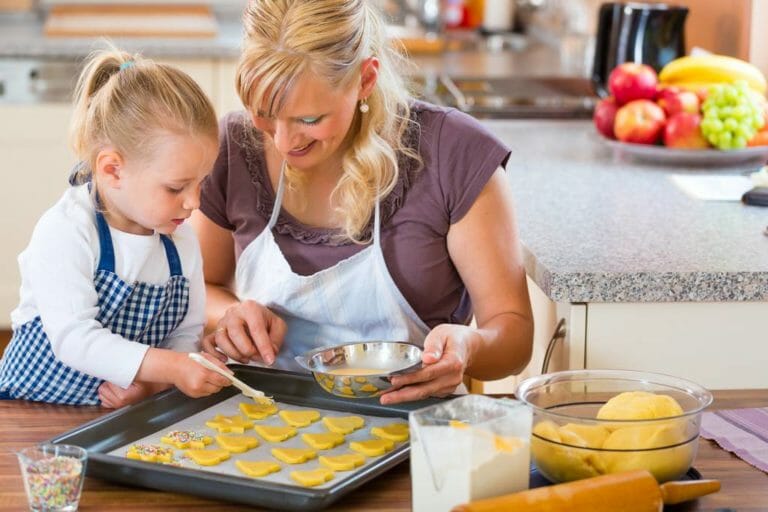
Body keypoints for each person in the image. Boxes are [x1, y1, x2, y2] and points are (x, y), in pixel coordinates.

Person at [193, 0, 534, 404]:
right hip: (260, 424)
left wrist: (470, 346)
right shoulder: (233, 147)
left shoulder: (452, 153)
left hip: (412, 428)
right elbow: (203, 287)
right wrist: (229, 318)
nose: (284, 142)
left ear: (365, 80)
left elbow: (512, 335)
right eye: (264, 114)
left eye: (309, 120)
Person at [0, 48, 232, 407]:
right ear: (112, 170)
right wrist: (172, 367)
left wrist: (153, 386)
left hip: (107, 422)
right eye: (176, 187)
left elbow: (185, 334)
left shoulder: (179, 239)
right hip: (29, 413)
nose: (194, 202)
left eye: (202, 183)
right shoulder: (67, 231)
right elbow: (75, 340)